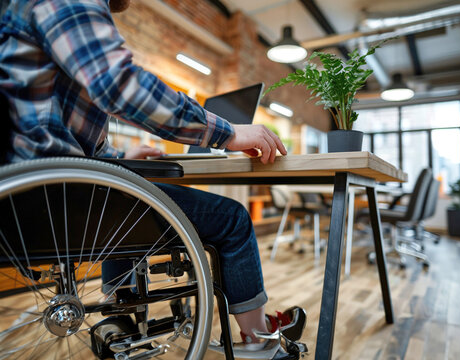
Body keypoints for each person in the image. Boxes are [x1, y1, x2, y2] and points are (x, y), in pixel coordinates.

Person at [0, 0, 304, 355]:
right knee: (232, 219)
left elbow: (50, 129)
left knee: (125, 184)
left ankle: (120, 318)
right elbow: (120, 85)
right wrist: (228, 133)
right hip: (57, 198)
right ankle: (260, 340)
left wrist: (117, 157)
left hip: (32, 192)